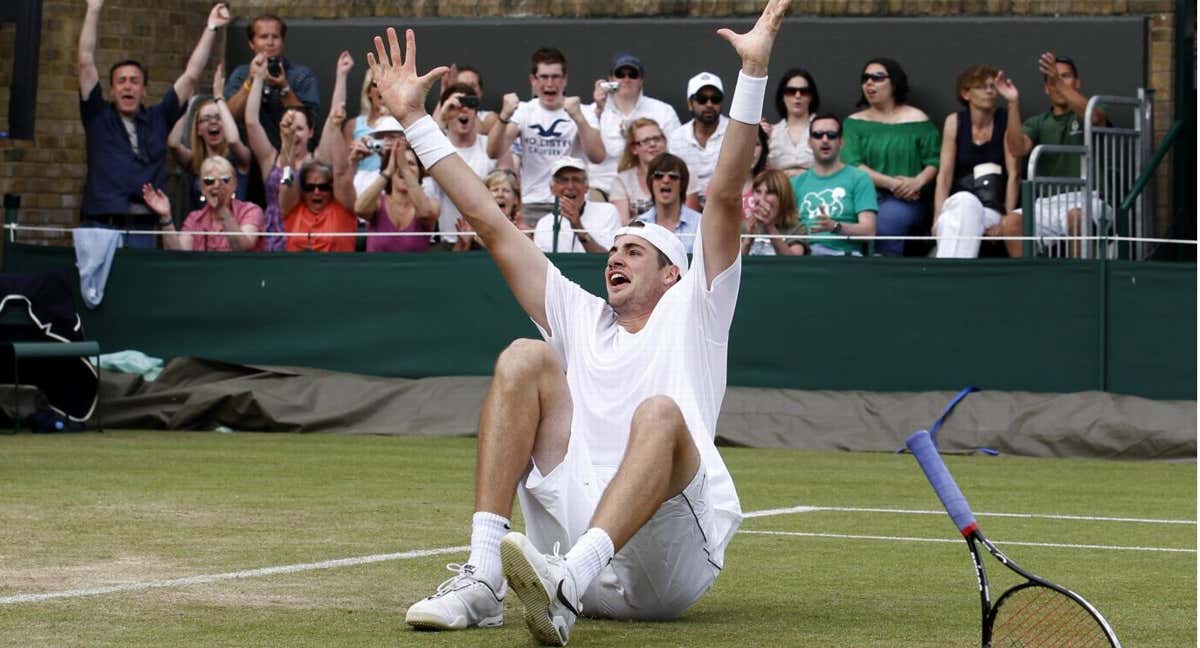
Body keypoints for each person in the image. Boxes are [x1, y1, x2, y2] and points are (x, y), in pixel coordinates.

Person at [367, 0, 786, 643]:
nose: (615, 256)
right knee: (521, 359)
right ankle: (484, 577)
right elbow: (490, 221)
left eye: (634, 251)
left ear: (672, 272)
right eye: (613, 249)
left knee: (660, 413)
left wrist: (752, 73)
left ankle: (568, 580)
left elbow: (725, 194)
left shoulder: (697, 306)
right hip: (574, 537)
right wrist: (414, 119)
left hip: (667, 563)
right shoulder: (581, 314)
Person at [76, 0, 229, 248]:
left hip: (143, 229)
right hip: (99, 227)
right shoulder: (97, 116)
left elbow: (191, 75)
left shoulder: (158, 117)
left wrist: (210, 28)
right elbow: (84, 61)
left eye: (134, 81)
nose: (128, 86)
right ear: (112, 90)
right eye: (122, 81)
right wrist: (93, 9)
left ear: (144, 90)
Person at [997, 52, 1109, 258]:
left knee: (1076, 218)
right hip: (1046, 202)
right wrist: (1012, 103)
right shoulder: (1038, 122)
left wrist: (1058, 82)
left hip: (1087, 200)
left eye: (1064, 76)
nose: (1058, 83)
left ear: (1077, 83)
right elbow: (1017, 149)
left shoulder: (1092, 107)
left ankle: (1081, 283)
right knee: (1010, 223)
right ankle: (1032, 282)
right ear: (1046, 88)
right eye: (1053, 79)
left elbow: (1093, 117)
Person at [488, 48, 606, 227]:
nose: (550, 83)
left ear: (565, 80)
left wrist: (578, 118)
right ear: (533, 80)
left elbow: (597, 156)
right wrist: (503, 116)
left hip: (573, 201)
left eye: (555, 76)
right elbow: (493, 152)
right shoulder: (523, 111)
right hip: (533, 203)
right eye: (543, 77)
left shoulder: (584, 111)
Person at [840, 58, 940, 256]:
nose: (869, 83)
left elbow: (934, 160)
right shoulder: (854, 123)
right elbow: (852, 163)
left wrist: (918, 182)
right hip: (861, 198)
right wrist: (895, 184)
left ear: (894, 82)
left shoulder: (918, 120)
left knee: (886, 224)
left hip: (908, 200)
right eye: (865, 78)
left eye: (877, 78)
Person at [931, 65, 1021, 258]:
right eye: (981, 87)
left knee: (956, 219)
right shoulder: (954, 122)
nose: (989, 91)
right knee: (961, 206)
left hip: (991, 210)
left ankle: (946, 276)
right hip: (957, 205)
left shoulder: (1004, 120)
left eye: (992, 86)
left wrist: (1006, 218)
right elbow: (944, 175)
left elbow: (1014, 174)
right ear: (966, 93)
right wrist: (937, 216)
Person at [583, 53, 682, 199]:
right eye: (620, 74)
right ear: (610, 79)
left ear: (641, 80)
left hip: (648, 190)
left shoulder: (663, 111)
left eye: (633, 74)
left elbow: (675, 155)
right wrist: (598, 110)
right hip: (601, 188)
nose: (626, 79)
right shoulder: (592, 111)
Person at [223, 14, 320, 149]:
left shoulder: (302, 75)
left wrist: (284, 87)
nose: (270, 43)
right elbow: (228, 118)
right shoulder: (241, 75)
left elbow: (309, 124)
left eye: (275, 37)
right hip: (248, 157)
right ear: (251, 44)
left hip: (290, 154)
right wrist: (250, 81)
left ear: (282, 41)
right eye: (263, 37)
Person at [791, 114, 878, 256]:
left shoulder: (860, 178)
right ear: (809, 142)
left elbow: (869, 231)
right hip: (804, 258)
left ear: (841, 142)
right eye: (818, 135)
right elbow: (785, 228)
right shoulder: (796, 183)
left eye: (831, 135)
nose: (824, 140)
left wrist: (835, 227)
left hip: (845, 259)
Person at [168, 65, 252, 211]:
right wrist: (186, 106)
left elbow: (232, 140)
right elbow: (173, 143)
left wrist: (219, 96)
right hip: (202, 231)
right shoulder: (194, 161)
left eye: (218, 117)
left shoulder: (240, 159)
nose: (213, 122)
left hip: (233, 230)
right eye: (206, 119)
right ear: (199, 129)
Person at [424, 83, 496, 249]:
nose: (463, 110)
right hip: (446, 242)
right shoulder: (437, 148)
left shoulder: (490, 147)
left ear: (477, 111)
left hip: (487, 243)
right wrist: (442, 118)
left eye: (469, 104)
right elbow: (419, 168)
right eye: (456, 105)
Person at [141, 156, 263, 252]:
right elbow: (177, 255)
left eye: (224, 180)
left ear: (235, 184)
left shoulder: (250, 210)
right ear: (202, 188)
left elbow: (243, 249)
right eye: (209, 181)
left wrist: (223, 212)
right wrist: (166, 217)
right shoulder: (194, 219)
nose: (216, 185)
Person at [355, 138, 440, 253]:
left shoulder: (431, 205)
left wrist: (405, 170)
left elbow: (425, 214)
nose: (404, 166)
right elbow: (360, 209)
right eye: (398, 163)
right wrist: (388, 171)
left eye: (411, 163)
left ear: (420, 172)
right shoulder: (378, 204)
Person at [609, 118, 700, 224]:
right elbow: (623, 224)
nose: (652, 144)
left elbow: (691, 220)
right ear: (634, 148)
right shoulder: (622, 181)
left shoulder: (684, 173)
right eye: (646, 141)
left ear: (665, 142)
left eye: (657, 139)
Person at [533, 158, 621, 254]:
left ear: (586, 187)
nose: (570, 186)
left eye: (576, 180)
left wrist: (578, 227)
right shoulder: (544, 224)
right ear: (552, 188)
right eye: (563, 180)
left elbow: (608, 259)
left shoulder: (607, 212)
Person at [668, 72, 728, 206]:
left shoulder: (734, 132)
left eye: (715, 98)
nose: (709, 104)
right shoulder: (677, 137)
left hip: (725, 205)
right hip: (685, 205)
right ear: (690, 103)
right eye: (702, 99)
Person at [280, 160, 357, 252]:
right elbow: (287, 170)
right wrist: (288, 145)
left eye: (323, 187)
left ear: (332, 188)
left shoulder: (343, 208)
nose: (316, 192)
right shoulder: (293, 209)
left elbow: (341, 173)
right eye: (310, 187)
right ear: (303, 190)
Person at [637, 153, 704, 254]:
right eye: (658, 176)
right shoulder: (638, 225)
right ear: (651, 183)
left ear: (682, 184)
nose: (666, 180)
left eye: (673, 176)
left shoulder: (700, 224)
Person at [766, 68, 819, 176]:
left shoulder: (824, 130)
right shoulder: (771, 132)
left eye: (804, 91)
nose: (797, 96)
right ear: (782, 96)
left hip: (817, 189)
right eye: (791, 91)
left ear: (811, 96)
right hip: (777, 190)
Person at [455, 169, 524, 251]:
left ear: (516, 199)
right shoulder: (472, 232)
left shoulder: (523, 232)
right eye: (495, 190)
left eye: (506, 190)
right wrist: (463, 244)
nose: (500, 195)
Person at [742, 169, 807, 256]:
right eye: (758, 192)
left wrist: (770, 227)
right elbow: (731, 265)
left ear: (783, 197)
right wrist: (748, 239)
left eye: (769, 193)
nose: (762, 199)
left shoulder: (798, 228)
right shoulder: (743, 227)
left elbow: (793, 264)